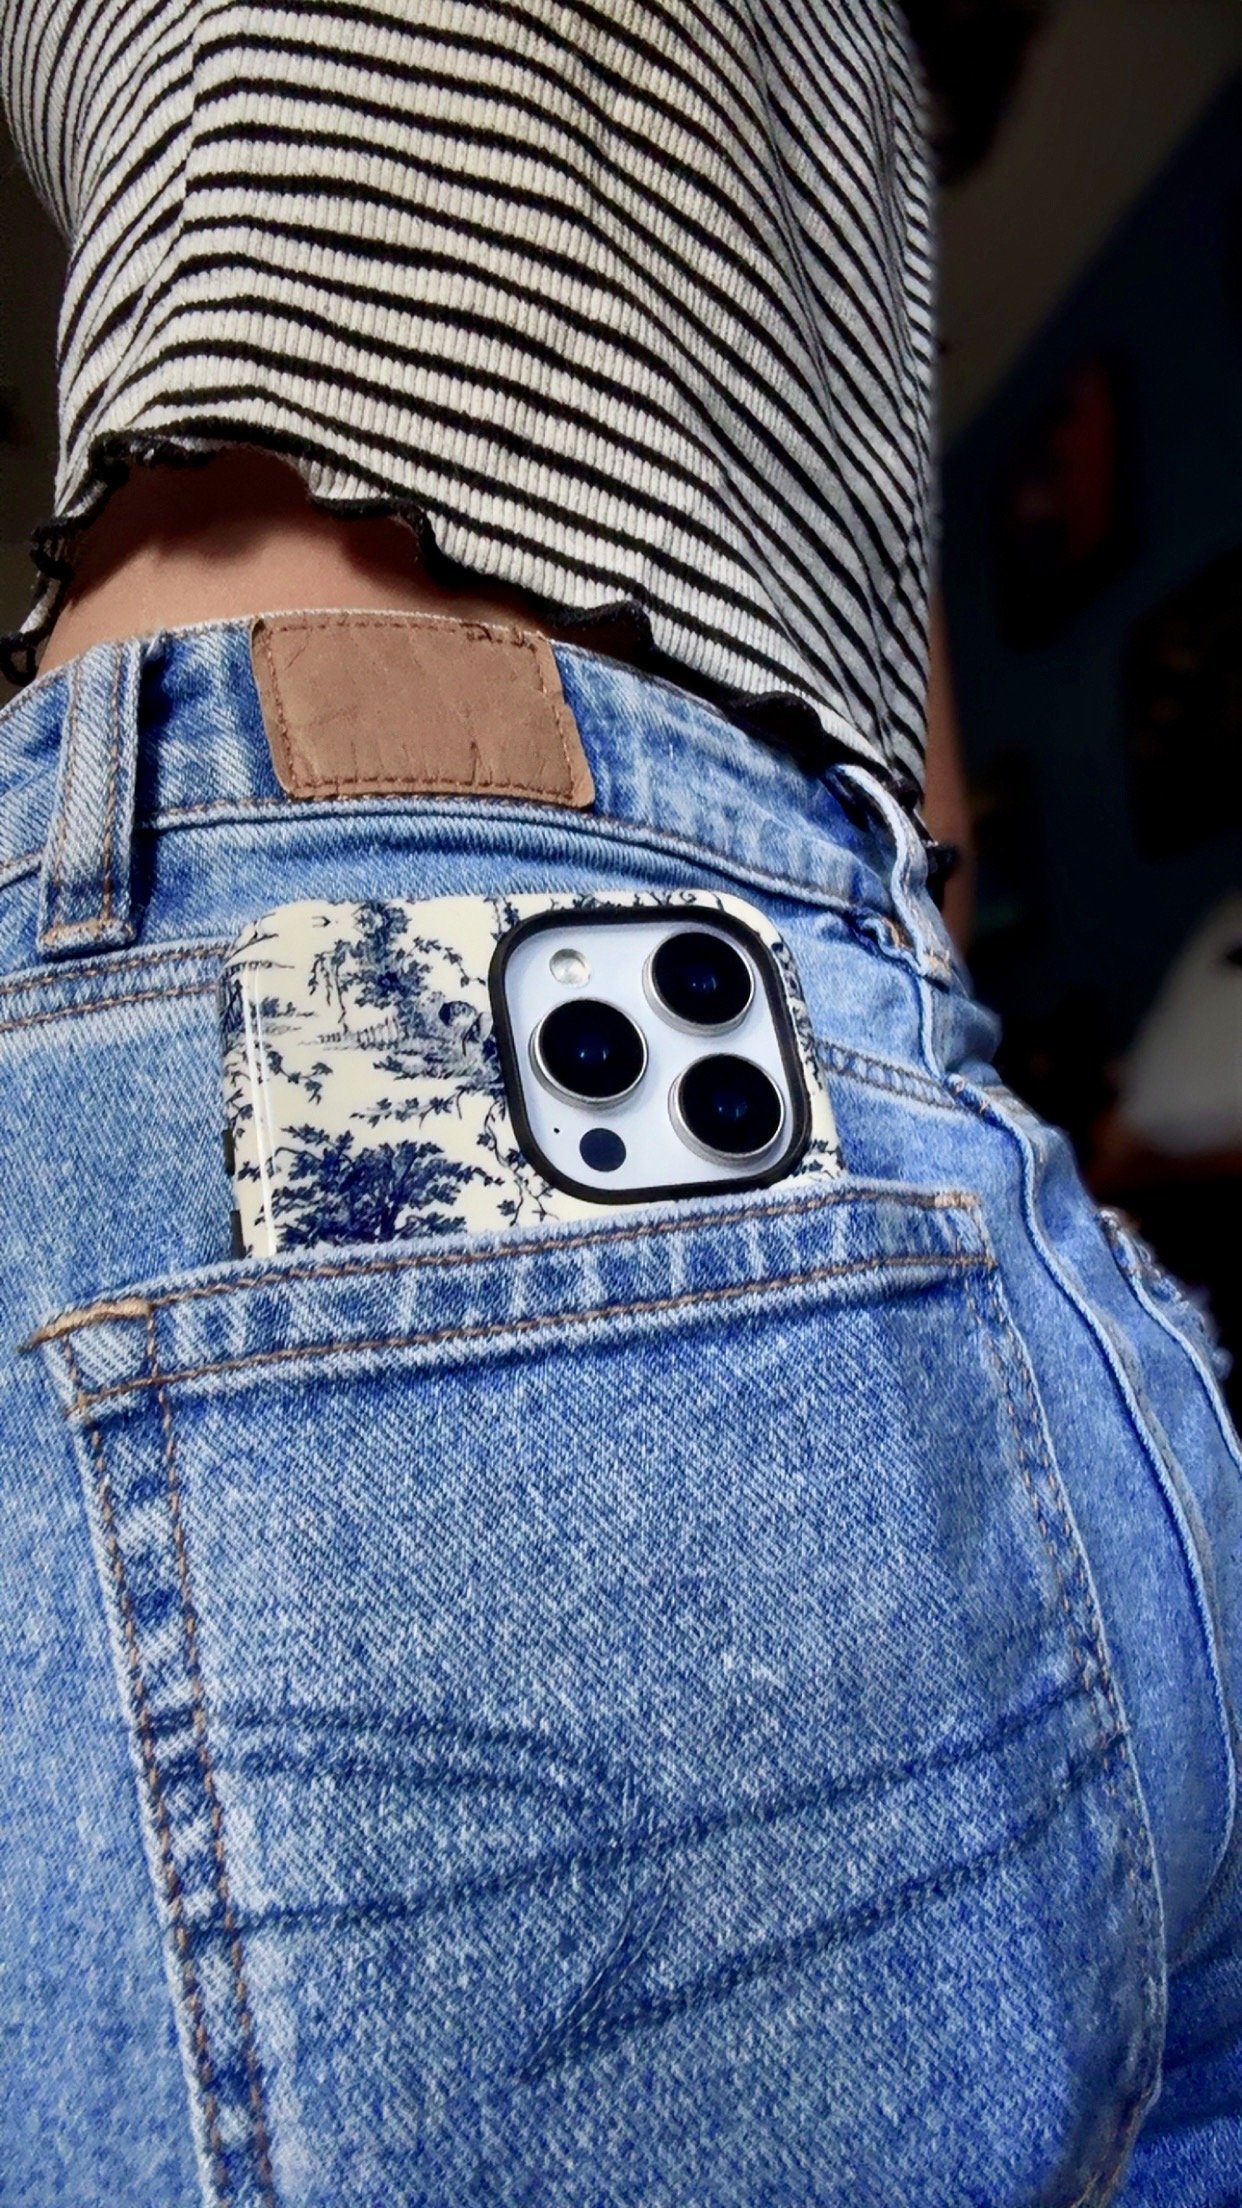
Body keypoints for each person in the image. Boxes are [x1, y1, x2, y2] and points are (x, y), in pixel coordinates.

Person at [0, 5, 1238, 2204]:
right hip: (387, 949)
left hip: (923, 1110)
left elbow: (871, 616)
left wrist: (936, 1011)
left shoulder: (872, 96)